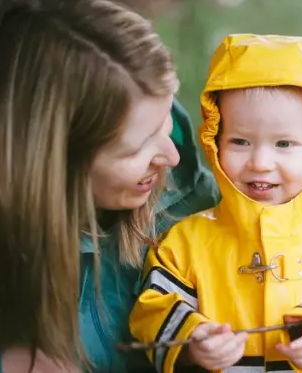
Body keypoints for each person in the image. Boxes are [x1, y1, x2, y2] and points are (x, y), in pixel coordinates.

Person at [130, 34, 302, 373]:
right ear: (215, 139)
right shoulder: (182, 245)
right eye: (240, 141)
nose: (259, 162)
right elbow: (152, 310)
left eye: (284, 144)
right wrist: (193, 340)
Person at [0, 0, 218, 372]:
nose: (172, 157)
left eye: (166, 123)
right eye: (137, 147)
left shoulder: (195, 199)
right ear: (58, 162)